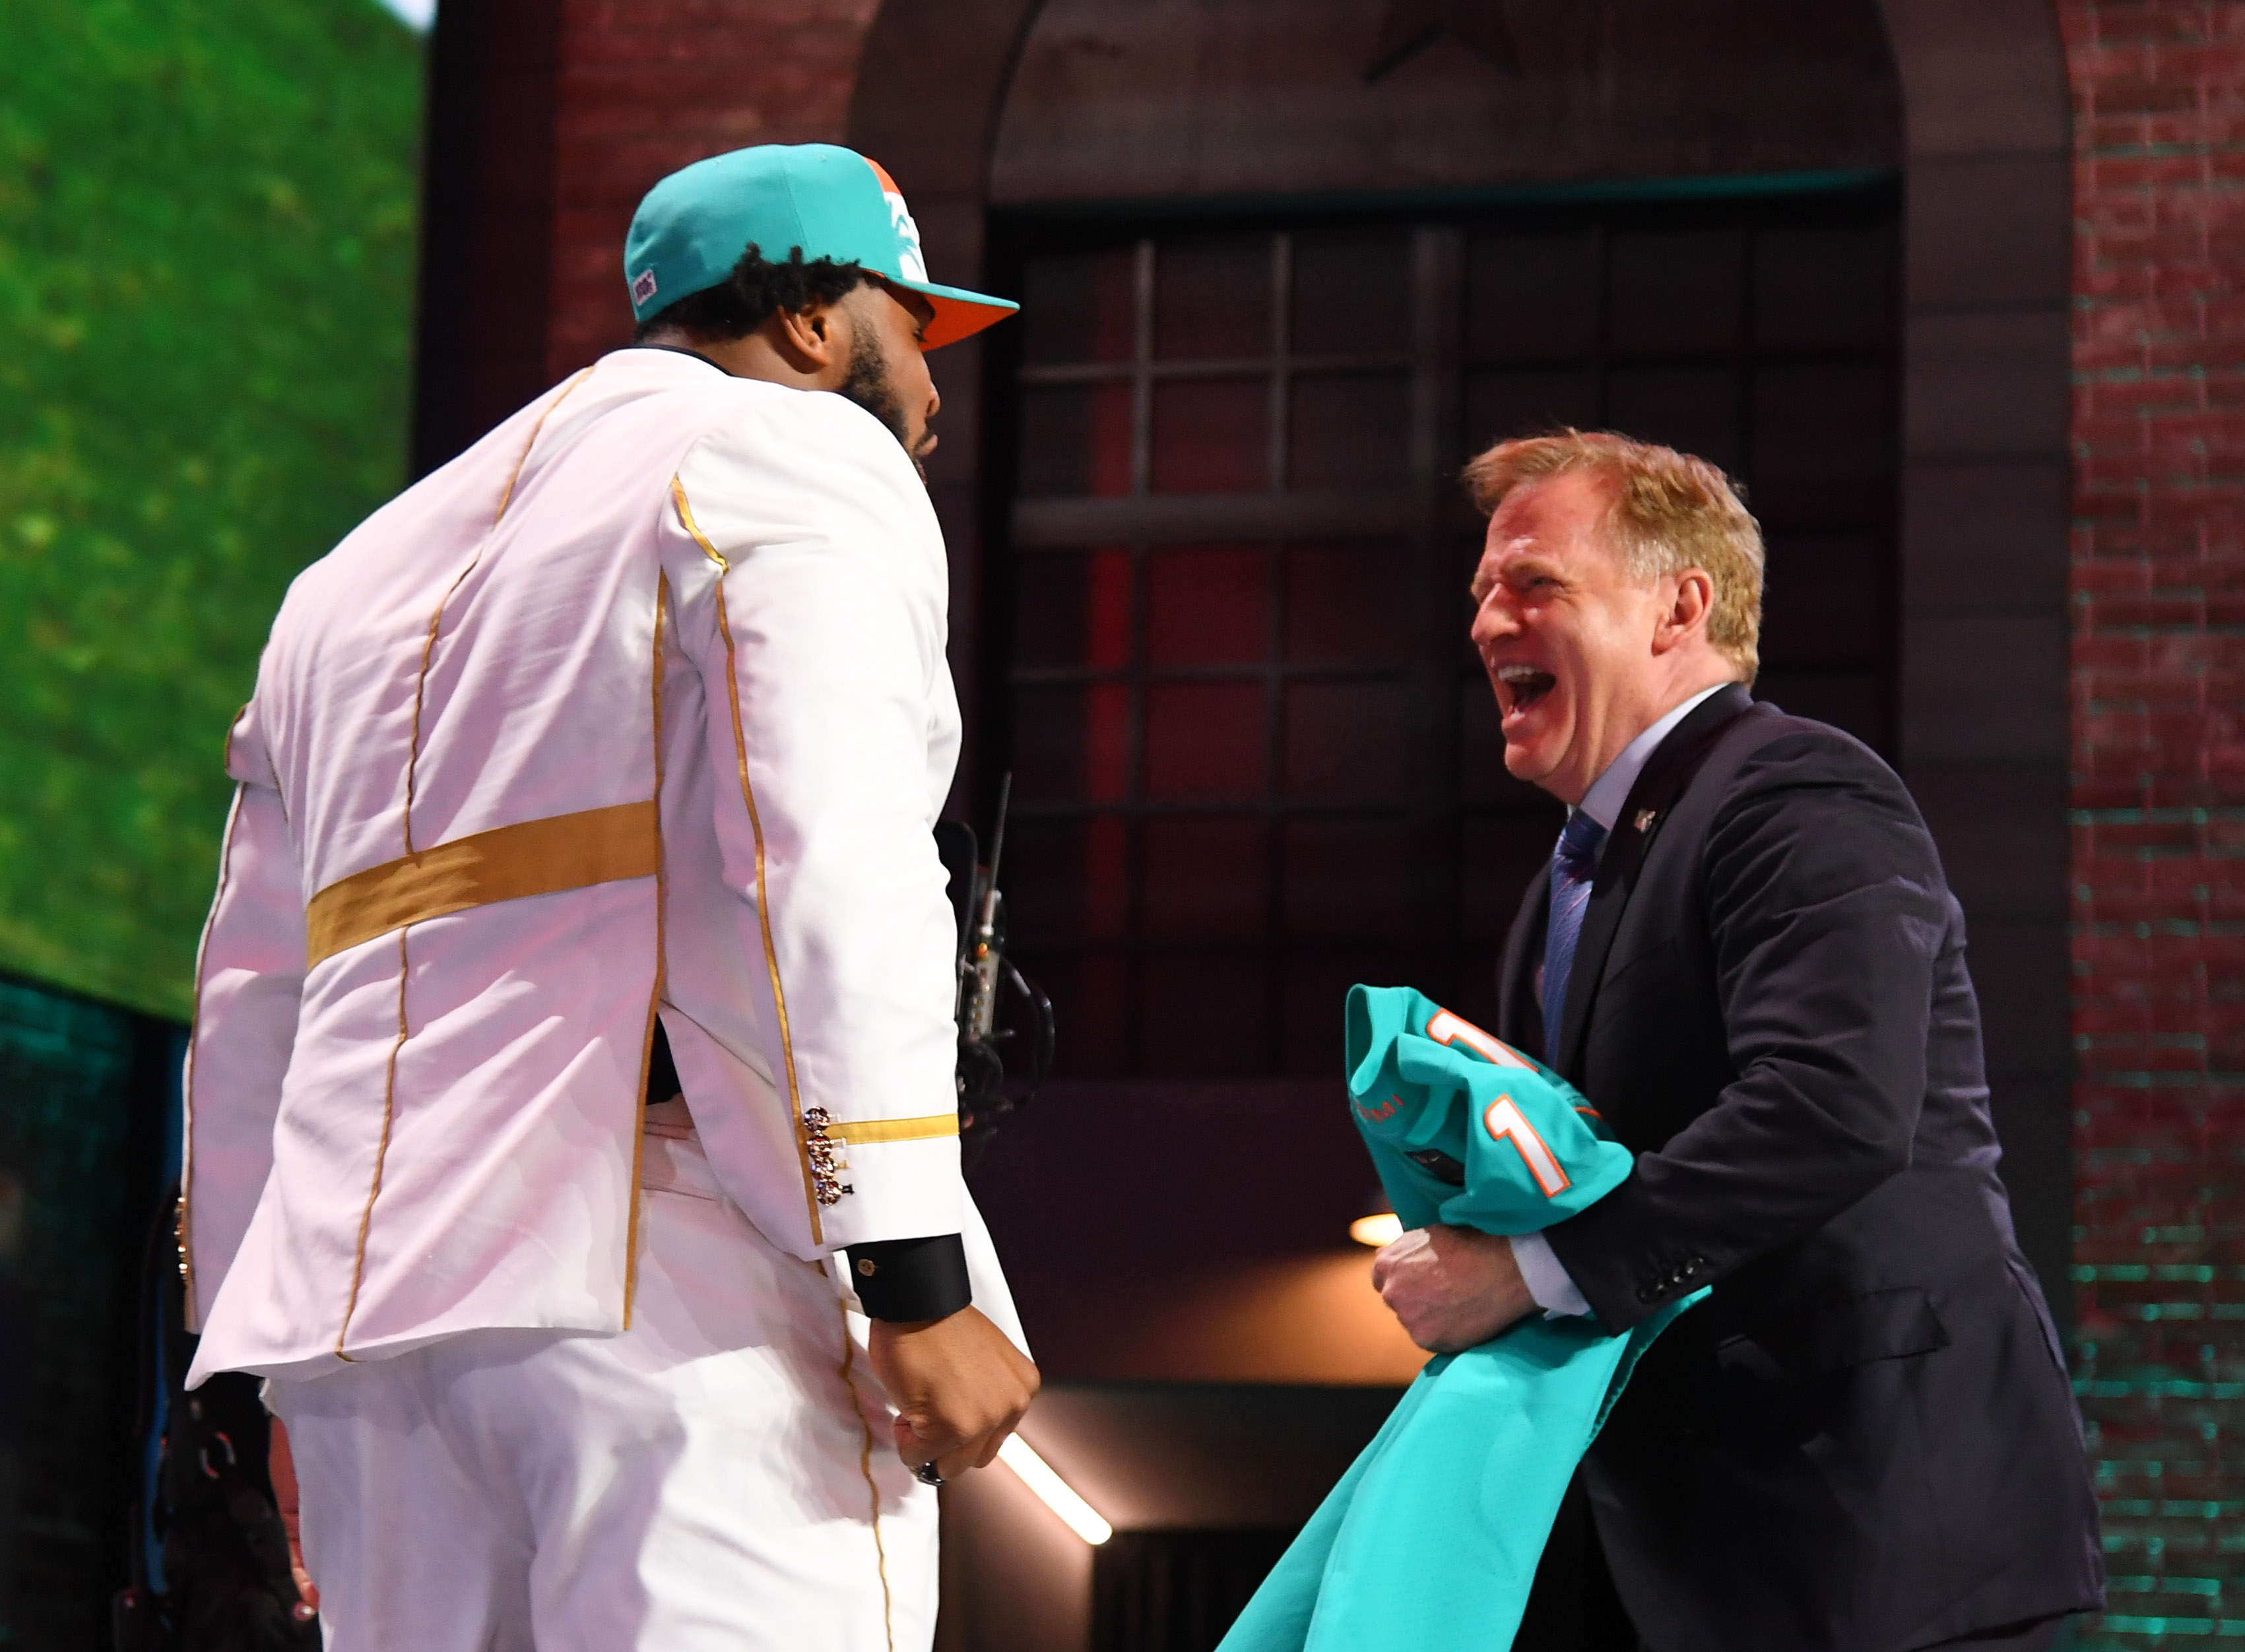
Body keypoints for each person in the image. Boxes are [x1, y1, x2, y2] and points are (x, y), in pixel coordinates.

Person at [176, 143, 1039, 1652]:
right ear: (816, 328)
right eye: (914, 328)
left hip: (367, 1340)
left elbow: (253, 996)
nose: (934, 387)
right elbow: (827, 855)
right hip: (678, 1289)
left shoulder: (345, 577)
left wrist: (253, 1367)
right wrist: (908, 1268)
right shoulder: (797, 451)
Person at [1369, 431, 2102, 1652]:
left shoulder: (1795, 790)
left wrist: (1531, 1269)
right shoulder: (1574, 878)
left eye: (1535, 585)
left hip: (1875, 1546)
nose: (1489, 623)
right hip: (1716, 1554)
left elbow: (1833, 1103)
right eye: (1484, 593)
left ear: (1678, 607)